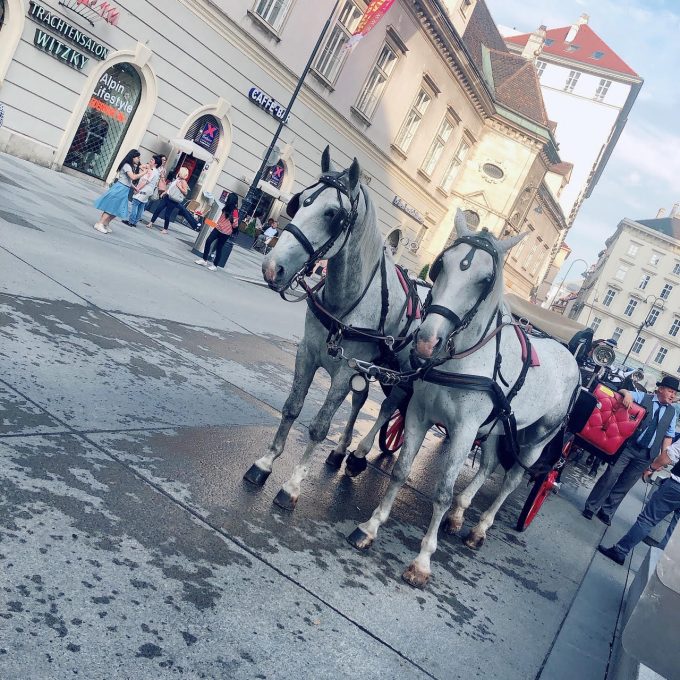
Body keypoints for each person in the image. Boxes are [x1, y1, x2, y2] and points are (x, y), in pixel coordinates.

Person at [583, 376, 679, 525]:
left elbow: (668, 436)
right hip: (628, 447)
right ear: (660, 389)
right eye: (670, 391)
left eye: (675, 393)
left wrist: (662, 457)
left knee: (625, 484)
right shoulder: (643, 397)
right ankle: (591, 506)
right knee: (610, 475)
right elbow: (622, 391)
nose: (673, 395)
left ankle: (606, 511)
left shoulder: (672, 413)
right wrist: (627, 395)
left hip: (646, 454)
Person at [598, 431, 680, 565]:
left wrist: (652, 467)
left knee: (648, 520)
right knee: (674, 535)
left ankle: (620, 551)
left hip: (676, 487)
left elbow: (670, 455)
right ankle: (656, 567)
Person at [93, 149, 143, 234]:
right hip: (120, 188)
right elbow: (133, 177)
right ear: (133, 157)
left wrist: (134, 187)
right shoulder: (127, 165)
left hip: (124, 189)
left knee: (117, 208)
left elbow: (128, 181)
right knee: (111, 207)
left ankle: (105, 223)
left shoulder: (130, 166)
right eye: (138, 157)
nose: (139, 159)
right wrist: (144, 173)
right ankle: (100, 223)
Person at [195, 193, 239, 271]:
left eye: (228, 197)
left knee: (219, 248)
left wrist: (228, 225)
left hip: (225, 232)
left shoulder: (235, 211)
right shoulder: (227, 207)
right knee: (208, 241)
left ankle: (215, 265)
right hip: (218, 228)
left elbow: (235, 224)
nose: (227, 198)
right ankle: (204, 260)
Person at [148, 166, 199, 234]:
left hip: (173, 200)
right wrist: (164, 192)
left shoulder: (183, 181)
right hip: (167, 197)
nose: (179, 172)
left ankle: (165, 229)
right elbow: (170, 188)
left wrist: (179, 186)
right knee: (158, 209)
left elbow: (185, 192)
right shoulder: (177, 179)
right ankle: (151, 223)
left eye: (180, 171)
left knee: (167, 214)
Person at [128, 155, 163, 228]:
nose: (150, 161)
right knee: (141, 206)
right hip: (148, 191)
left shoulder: (152, 171)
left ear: (155, 164)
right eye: (151, 159)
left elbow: (145, 181)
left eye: (152, 160)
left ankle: (131, 221)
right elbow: (141, 167)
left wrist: (137, 189)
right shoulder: (156, 172)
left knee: (135, 204)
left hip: (144, 189)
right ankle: (135, 222)